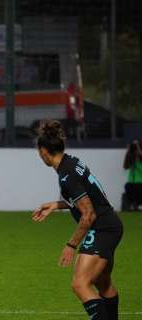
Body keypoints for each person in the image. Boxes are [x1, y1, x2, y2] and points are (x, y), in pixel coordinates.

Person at [32, 120, 123, 320]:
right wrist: (56, 205)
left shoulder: (66, 175)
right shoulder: (72, 161)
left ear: (43, 152)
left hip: (102, 229)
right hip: (110, 224)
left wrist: (71, 245)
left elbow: (88, 214)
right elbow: (89, 198)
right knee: (102, 282)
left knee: (80, 284)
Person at [121, 139, 142, 211]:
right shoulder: (131, 160)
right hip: (132, 182)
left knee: (138, 188)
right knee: (127, 186)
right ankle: (132, 205)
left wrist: (138, 148)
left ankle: (138, 205)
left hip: (140, 181)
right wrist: (128, 152)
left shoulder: (140, 162)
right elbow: (125, 166)